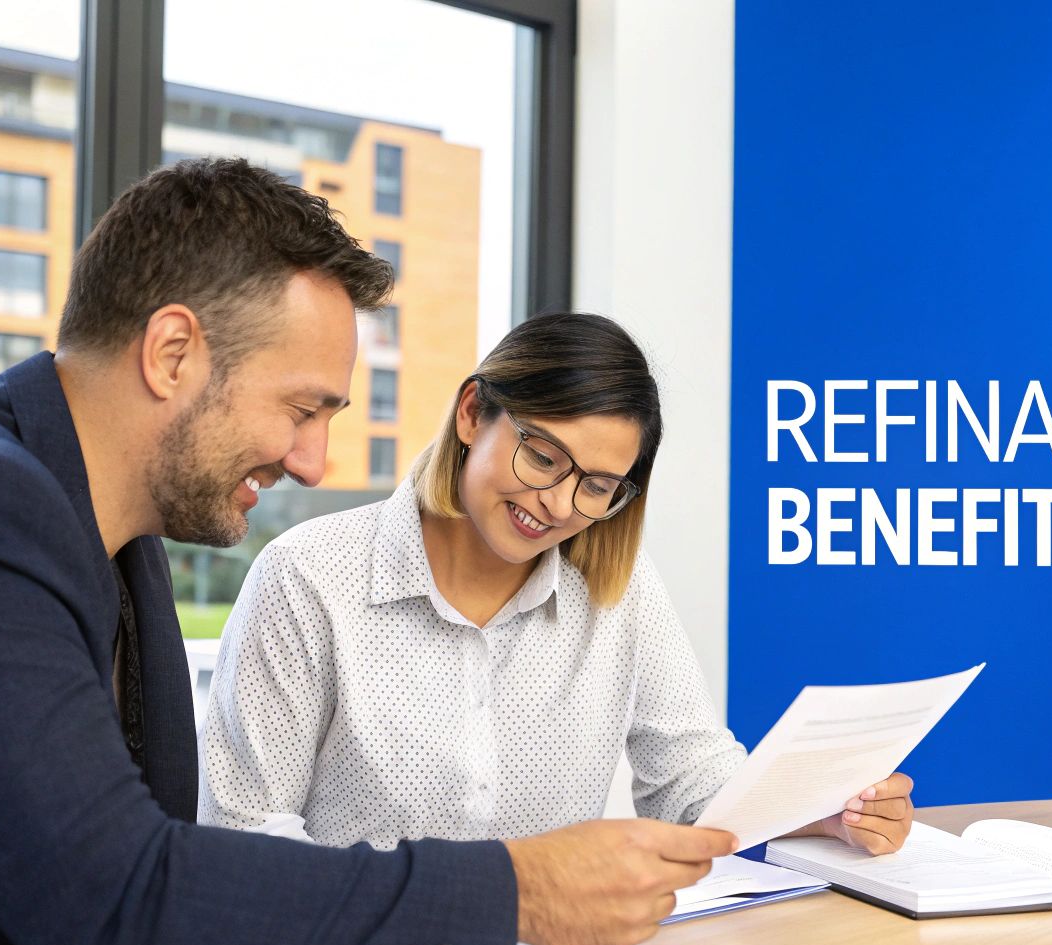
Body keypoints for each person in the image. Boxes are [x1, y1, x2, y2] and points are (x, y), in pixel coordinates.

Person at [0, 160, 734, 945]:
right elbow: (124, 899)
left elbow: (146, 864)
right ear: (172, 352)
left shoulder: (106, 533)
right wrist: (512, 892)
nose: (310, 461)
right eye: (302, 408)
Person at [199, 312, 915, 854]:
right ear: (474, 413)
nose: (560, 505)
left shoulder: (619, 589)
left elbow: (688, 776)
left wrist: (815, 810)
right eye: (544, 457)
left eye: (599, 486)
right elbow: (245, 834)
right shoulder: (309, 577)